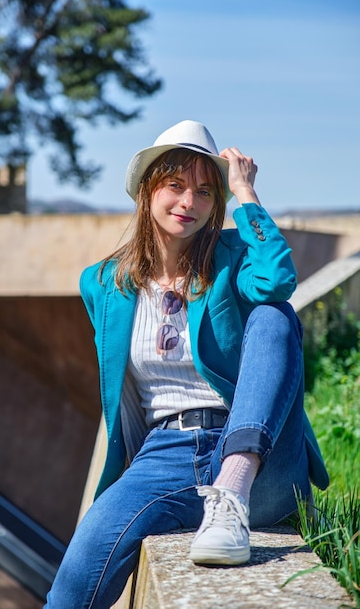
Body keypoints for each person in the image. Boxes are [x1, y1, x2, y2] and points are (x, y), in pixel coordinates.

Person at [44, 120, 329, 609]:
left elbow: (278, 279)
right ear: (147, 191)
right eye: (175, 186)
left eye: (203, 191)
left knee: (273, 315)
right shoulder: (103, 283)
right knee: (73, 585)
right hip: (164, 454)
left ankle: (232, 495)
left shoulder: (232, 259)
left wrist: (245, 191)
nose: (188, 203)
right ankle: (212, 505)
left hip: (257, 451)